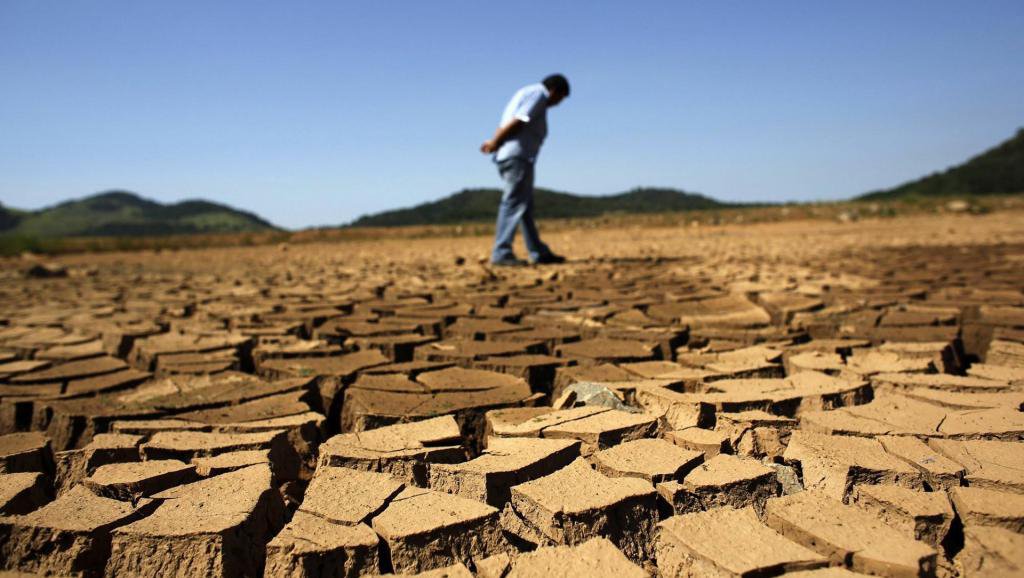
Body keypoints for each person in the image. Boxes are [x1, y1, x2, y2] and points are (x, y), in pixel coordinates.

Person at [480, 74, 570, 266]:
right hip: (518, 156)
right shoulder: (538, 95)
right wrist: (496, 141)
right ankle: (501, 252)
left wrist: (494, 142)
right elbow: (519, 120)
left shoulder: (524, 93)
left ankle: (538, 252)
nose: (558, 103)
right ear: (555, 91)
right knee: (513, 203)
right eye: (560, 98)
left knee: (524, 206)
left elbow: (506, 122)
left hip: (510, 155)